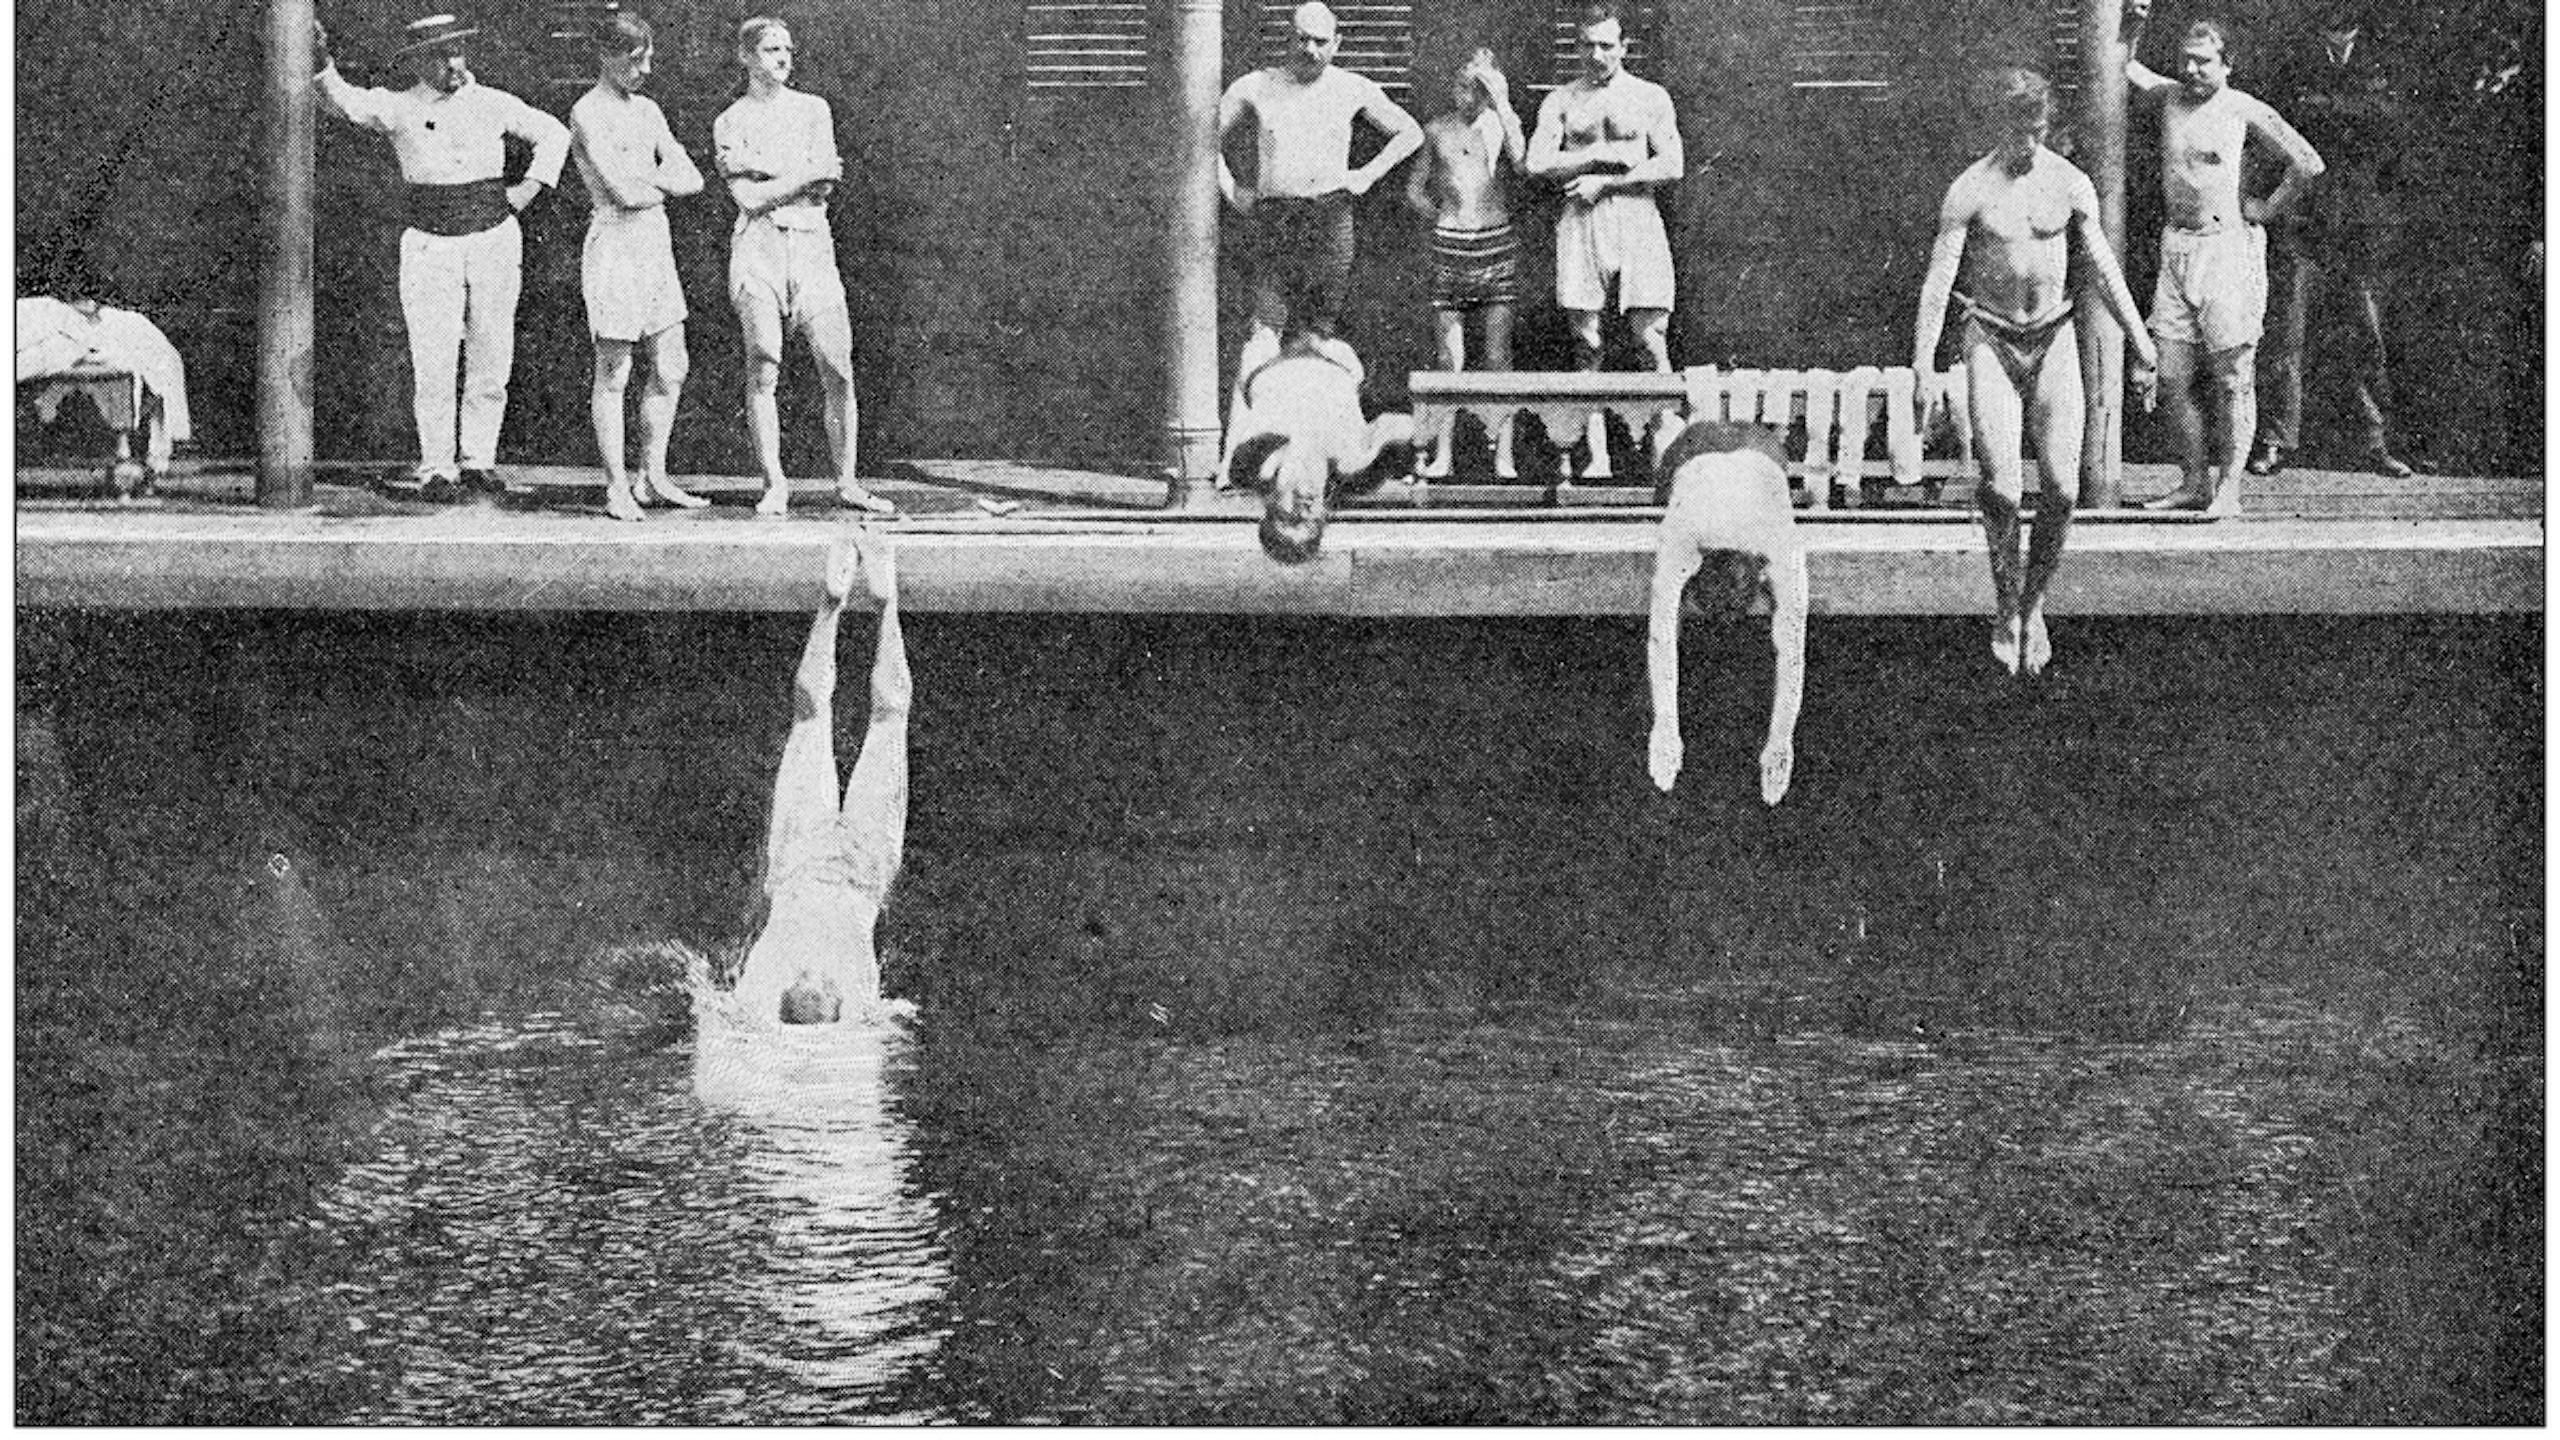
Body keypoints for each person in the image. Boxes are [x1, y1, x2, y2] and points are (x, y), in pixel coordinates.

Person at [1913, 68, 2159, 676]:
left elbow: (2102, 263)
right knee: (2000, 488)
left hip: (2053, 336)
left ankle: (2034, 601)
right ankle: (2005, 603)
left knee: (2064, 488)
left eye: (2038, 131)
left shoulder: (2069, 182)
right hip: (1991, 337)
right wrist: (1923, 362)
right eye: (2018, 132)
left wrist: (2140, 339)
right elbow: (1940, 280)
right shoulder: (1968, 190)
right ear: (1997, 126)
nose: (2028, 144)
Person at [316, 12, 569, 502]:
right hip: (431, 243)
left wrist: (527, 190)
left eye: (457, 52)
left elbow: (554, 133)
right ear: (417, 62)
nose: (452, 63)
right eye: (439, 55)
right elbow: (344, 102)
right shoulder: (399, 107)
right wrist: (322, 63)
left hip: (493, 237)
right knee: (433, 355)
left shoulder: (493, 103)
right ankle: (437, 466)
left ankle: (479, 460)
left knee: (491, 350)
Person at [2121, 3, 2324, 514]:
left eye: (2203, 62)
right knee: (2168, 378)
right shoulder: (2169, 97)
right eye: (2186, 60)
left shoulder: (2244, 109)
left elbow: (2307, 163)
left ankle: (2229, 490)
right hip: (2177, 249)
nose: (2190, 70)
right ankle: (2194, 481)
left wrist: (2264, 209)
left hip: (2226, 250)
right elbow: (2124, 66)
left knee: (2233, 375)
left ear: (2227, 65)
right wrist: (2135, 23)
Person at [1216, 0, 1423, 475]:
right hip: (1274, 218)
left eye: (1320, 41)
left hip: (1330, 218)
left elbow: (1408, 132)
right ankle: (1236, 461)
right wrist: (1232, 189)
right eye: (1300, 38)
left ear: (1337, 43)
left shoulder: (1352, 88)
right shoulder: (1256, 86)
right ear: (1287, 38)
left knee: (1319, 338)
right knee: (1264, 335)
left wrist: (1367, 175)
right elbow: (1200, 135)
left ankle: (1330, 457)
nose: (1309, 49)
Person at [715, 16, 893, 519]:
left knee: (836, 365)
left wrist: (777, 177)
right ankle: (774, 482)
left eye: (788, 49)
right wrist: (802, 174)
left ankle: (847, 481)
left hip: (813, 243)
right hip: (759, 248)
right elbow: (747, 199)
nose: (784, 57)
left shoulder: (815, 110)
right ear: (746, 55)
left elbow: (825, 183)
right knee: (764, 362)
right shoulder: (730, 120)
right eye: (772, 49)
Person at [734, 530, 908, 1027]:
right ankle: (850, 603)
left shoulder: (812, 989)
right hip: (839, 870)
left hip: (818, 866)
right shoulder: (777, 983)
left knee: (875, 717)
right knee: (823, 717)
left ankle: (871, 601)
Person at [2246, 2, 2414, 479]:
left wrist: (2324, 116)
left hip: (2364, 220)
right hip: (2303, 217)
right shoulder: (2291, 59)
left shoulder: (2387, 57)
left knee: (2367, 334)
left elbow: (2393, 127)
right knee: (2285, 333)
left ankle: (2374, 442)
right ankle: (2276, 439)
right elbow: (2275, 132)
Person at [569, 12, 709, 523]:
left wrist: (645, 177)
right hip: (615, 245)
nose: (646, 69)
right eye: (635, 60)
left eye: (649, 57)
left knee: (671, 364)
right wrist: (655, 178)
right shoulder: (586, 111)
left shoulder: (648, 110)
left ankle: (652, 476)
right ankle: (616, 486)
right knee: (615, 369)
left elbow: (692, 178)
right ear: (606, 57)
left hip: (655, 242)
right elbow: (624, 195)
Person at [1643, 420, 1806, 807]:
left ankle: (1666, 427)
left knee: (1667, 486)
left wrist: (1782, 739)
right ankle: (1665, 427)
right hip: (1719, 450)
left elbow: (1664, 635)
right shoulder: (1769, 543)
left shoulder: (1768, 542)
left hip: (1745, 450)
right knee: (1665, 487)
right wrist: (1664, 725)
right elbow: (1790, 648)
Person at [1529, 3, 1683, 378]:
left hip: (1637, 213)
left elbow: (1672, 164)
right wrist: (1595, 154)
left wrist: (1608, 182)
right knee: (1587, 341)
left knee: (1649, 337)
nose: (1595, 55)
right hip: (1582, 217)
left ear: (1624, 47)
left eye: (1606, 45)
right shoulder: (1562, 99)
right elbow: (1536, 163)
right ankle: (1592, 437)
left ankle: (1663, 433)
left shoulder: (1650, 96)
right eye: (1586, 45)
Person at [1404, 47, 1526, 478]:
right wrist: (1438, 215)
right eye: (1463, 86)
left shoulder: (1500, 125)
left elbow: (1524, 162)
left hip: (1495, 243)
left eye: (1479, 87)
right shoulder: (1437, 130)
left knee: (1497, 355)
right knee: (1449, 359)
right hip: (1451, 245)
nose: (1469, 96)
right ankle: (1443, 455)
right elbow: (1414, 189)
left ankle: (1503, 455)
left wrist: (1503, 103)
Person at [1224, 328, 1415, 564]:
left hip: (1270, 355)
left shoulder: (1253, 465)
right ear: (1323, 517)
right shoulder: (1354, 473)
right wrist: (1375, 447)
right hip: (1335, 356)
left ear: (1269, 510)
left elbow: (1268, 436)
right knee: (1329, 307)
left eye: (1289, 519)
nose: (1303, 511)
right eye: (1311, 523)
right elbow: (1404, 425)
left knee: (1265, 328)